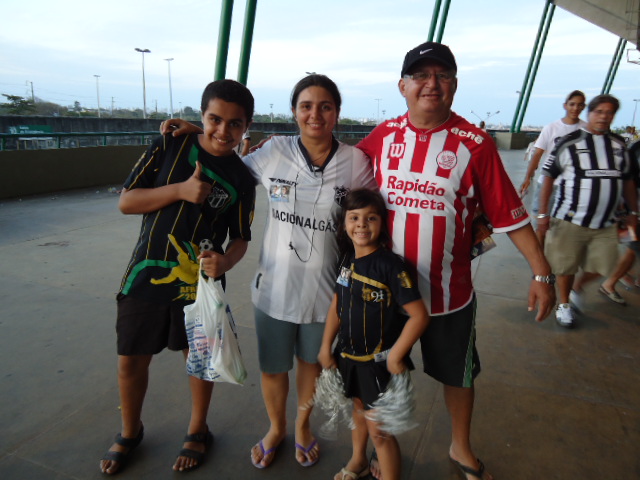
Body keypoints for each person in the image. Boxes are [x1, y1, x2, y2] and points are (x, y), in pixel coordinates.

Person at [357, 41, 555, 480]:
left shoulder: (476, 144)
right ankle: (384, 448)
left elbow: (509, 215)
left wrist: (541, 272)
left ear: (455, 85)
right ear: (402, 86)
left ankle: (460, 447)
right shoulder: (382, 137)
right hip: (388, 296)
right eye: (422, 76)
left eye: (442, 76)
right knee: (380, 378)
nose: (432, 84)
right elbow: (331, 166)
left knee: (459, 377)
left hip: (450, 296)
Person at [162, 74, 377, 469]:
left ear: (337, 113)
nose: (316, 114)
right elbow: (225, 165)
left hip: (325, 294)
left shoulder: (356, 163)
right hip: (273, 290)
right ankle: (276, 427)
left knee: (311, 365)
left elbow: (376, 215)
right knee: (274, 367)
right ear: (294, 112)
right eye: (306, 106)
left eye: (325, 106)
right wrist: (201, 133)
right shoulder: (274, 151)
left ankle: (302, 427)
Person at [99, 79, 256, 475]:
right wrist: (181, 190)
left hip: (201, 287)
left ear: (246, 126)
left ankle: (197, 430)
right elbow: (127, 202)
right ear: (201, 116)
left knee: (200, 361)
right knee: (130, 361)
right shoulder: (169, 146)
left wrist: (227, 262)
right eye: (214, 120)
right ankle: (130, 431)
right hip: (146, 274)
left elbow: (240, 238)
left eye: (234, 124)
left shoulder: (242, 178)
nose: (223, 132)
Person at [318, 188, 429, 480]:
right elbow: (337, 304)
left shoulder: (390, 265)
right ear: (344, 224)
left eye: (371, 218)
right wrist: (325, 345)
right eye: (354, 218)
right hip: (349, 356)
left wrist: (396, 356)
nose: (362, 225)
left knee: (380, 431)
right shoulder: (346, 260)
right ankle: (358, 460)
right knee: (358, 410)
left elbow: (419, 315)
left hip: (378, 362)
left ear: (382, 223)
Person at [537, 94, 638, 327]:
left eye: (609, 113)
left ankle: (577, 287)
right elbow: (548, 176)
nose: (603, 117)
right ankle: (564, 305)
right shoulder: (569, 142)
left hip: (606, 222)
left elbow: (629, 180)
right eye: (599, 112)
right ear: (589, 114)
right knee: (566, 266)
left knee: (609, 264)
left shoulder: (619, 145)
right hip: (570, 218)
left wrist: (632, 212)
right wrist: (543, 214)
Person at [519, 90, 587, 243]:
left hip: (573, 186)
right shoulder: (551, 128)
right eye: (572, 104)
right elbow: (537, 154)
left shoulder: (586, 130)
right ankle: (541, 259)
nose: (575, 108)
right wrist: (528, 177)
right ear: (565, 105)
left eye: (580, 105)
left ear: (584, 107)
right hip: (548, 184)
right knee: (541, 224)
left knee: (568, 225)